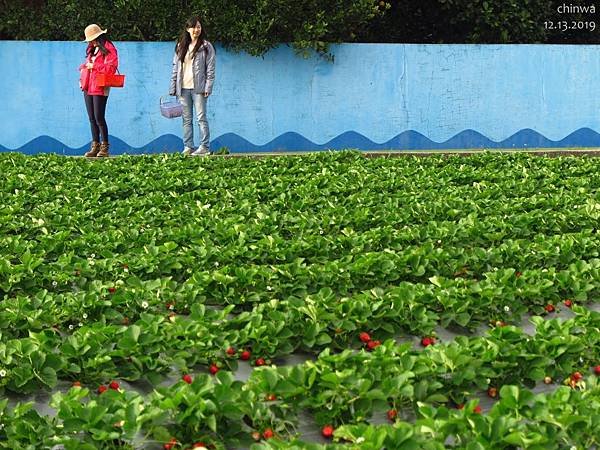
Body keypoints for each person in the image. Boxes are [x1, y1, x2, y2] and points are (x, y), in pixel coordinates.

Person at [169, 16, 216, 156]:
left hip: (199, 89)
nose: (197, 29)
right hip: (183, 88)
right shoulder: (180, 46)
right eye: (194, 27)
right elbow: (175, 68)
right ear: (187, 29)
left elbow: (211, 68)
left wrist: (208, 87)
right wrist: (173, 87)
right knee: (186, 120)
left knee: (201, 118)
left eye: (199, 27)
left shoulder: (206, 46)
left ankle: (204, 147)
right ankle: (188, 146)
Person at [79, 24, 119, 158]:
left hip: (101, 86)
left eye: (92, 39)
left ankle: (105, 147)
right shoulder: (92, 49)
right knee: (91, 118)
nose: (90, 41)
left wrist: (94, 66)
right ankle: (95, 146)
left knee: (99, 117)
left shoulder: (109, 48)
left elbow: (111, 68)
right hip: (88, 86)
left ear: (98, 37)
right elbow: (88, 66)